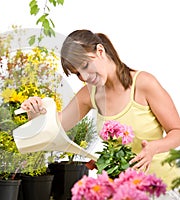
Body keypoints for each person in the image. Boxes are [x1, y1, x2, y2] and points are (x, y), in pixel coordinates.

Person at [20, 29, 180, 191]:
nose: (85, 77)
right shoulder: (89, 93)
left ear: (100, 51)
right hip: (123, 191)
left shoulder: (143, 83)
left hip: (163, 187)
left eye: (85, 66)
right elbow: (56, 128)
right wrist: (34, 113)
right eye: (78, 74)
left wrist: (154, 148)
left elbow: (177, 131)